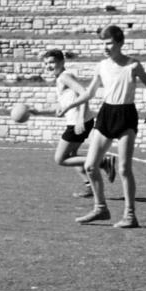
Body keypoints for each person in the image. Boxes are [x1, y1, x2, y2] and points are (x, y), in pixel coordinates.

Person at [57, 25, 146, 228]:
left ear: (120, 43)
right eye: (103, 44)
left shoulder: (132, 65)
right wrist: (70, 105)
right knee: (90, 165)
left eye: (109, 43)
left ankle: (130, 215)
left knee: (123, 168)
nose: (106, 47)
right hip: (106, 114)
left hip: (126, 115)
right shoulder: (101, 66)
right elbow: (90, 93)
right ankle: (100, 208)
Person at [41, 48, 115, 198]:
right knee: (72, 155)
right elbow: (73, 97)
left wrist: (80, 118)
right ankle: (89, 185)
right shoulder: (61, 77)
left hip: (78, 123)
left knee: (60, 159)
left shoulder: (64, 77)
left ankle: (103, 163)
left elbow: (84, 93)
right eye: (46, 63)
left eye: (52, 62)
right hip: (78, 121)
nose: (48, 66)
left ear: (62, 62)